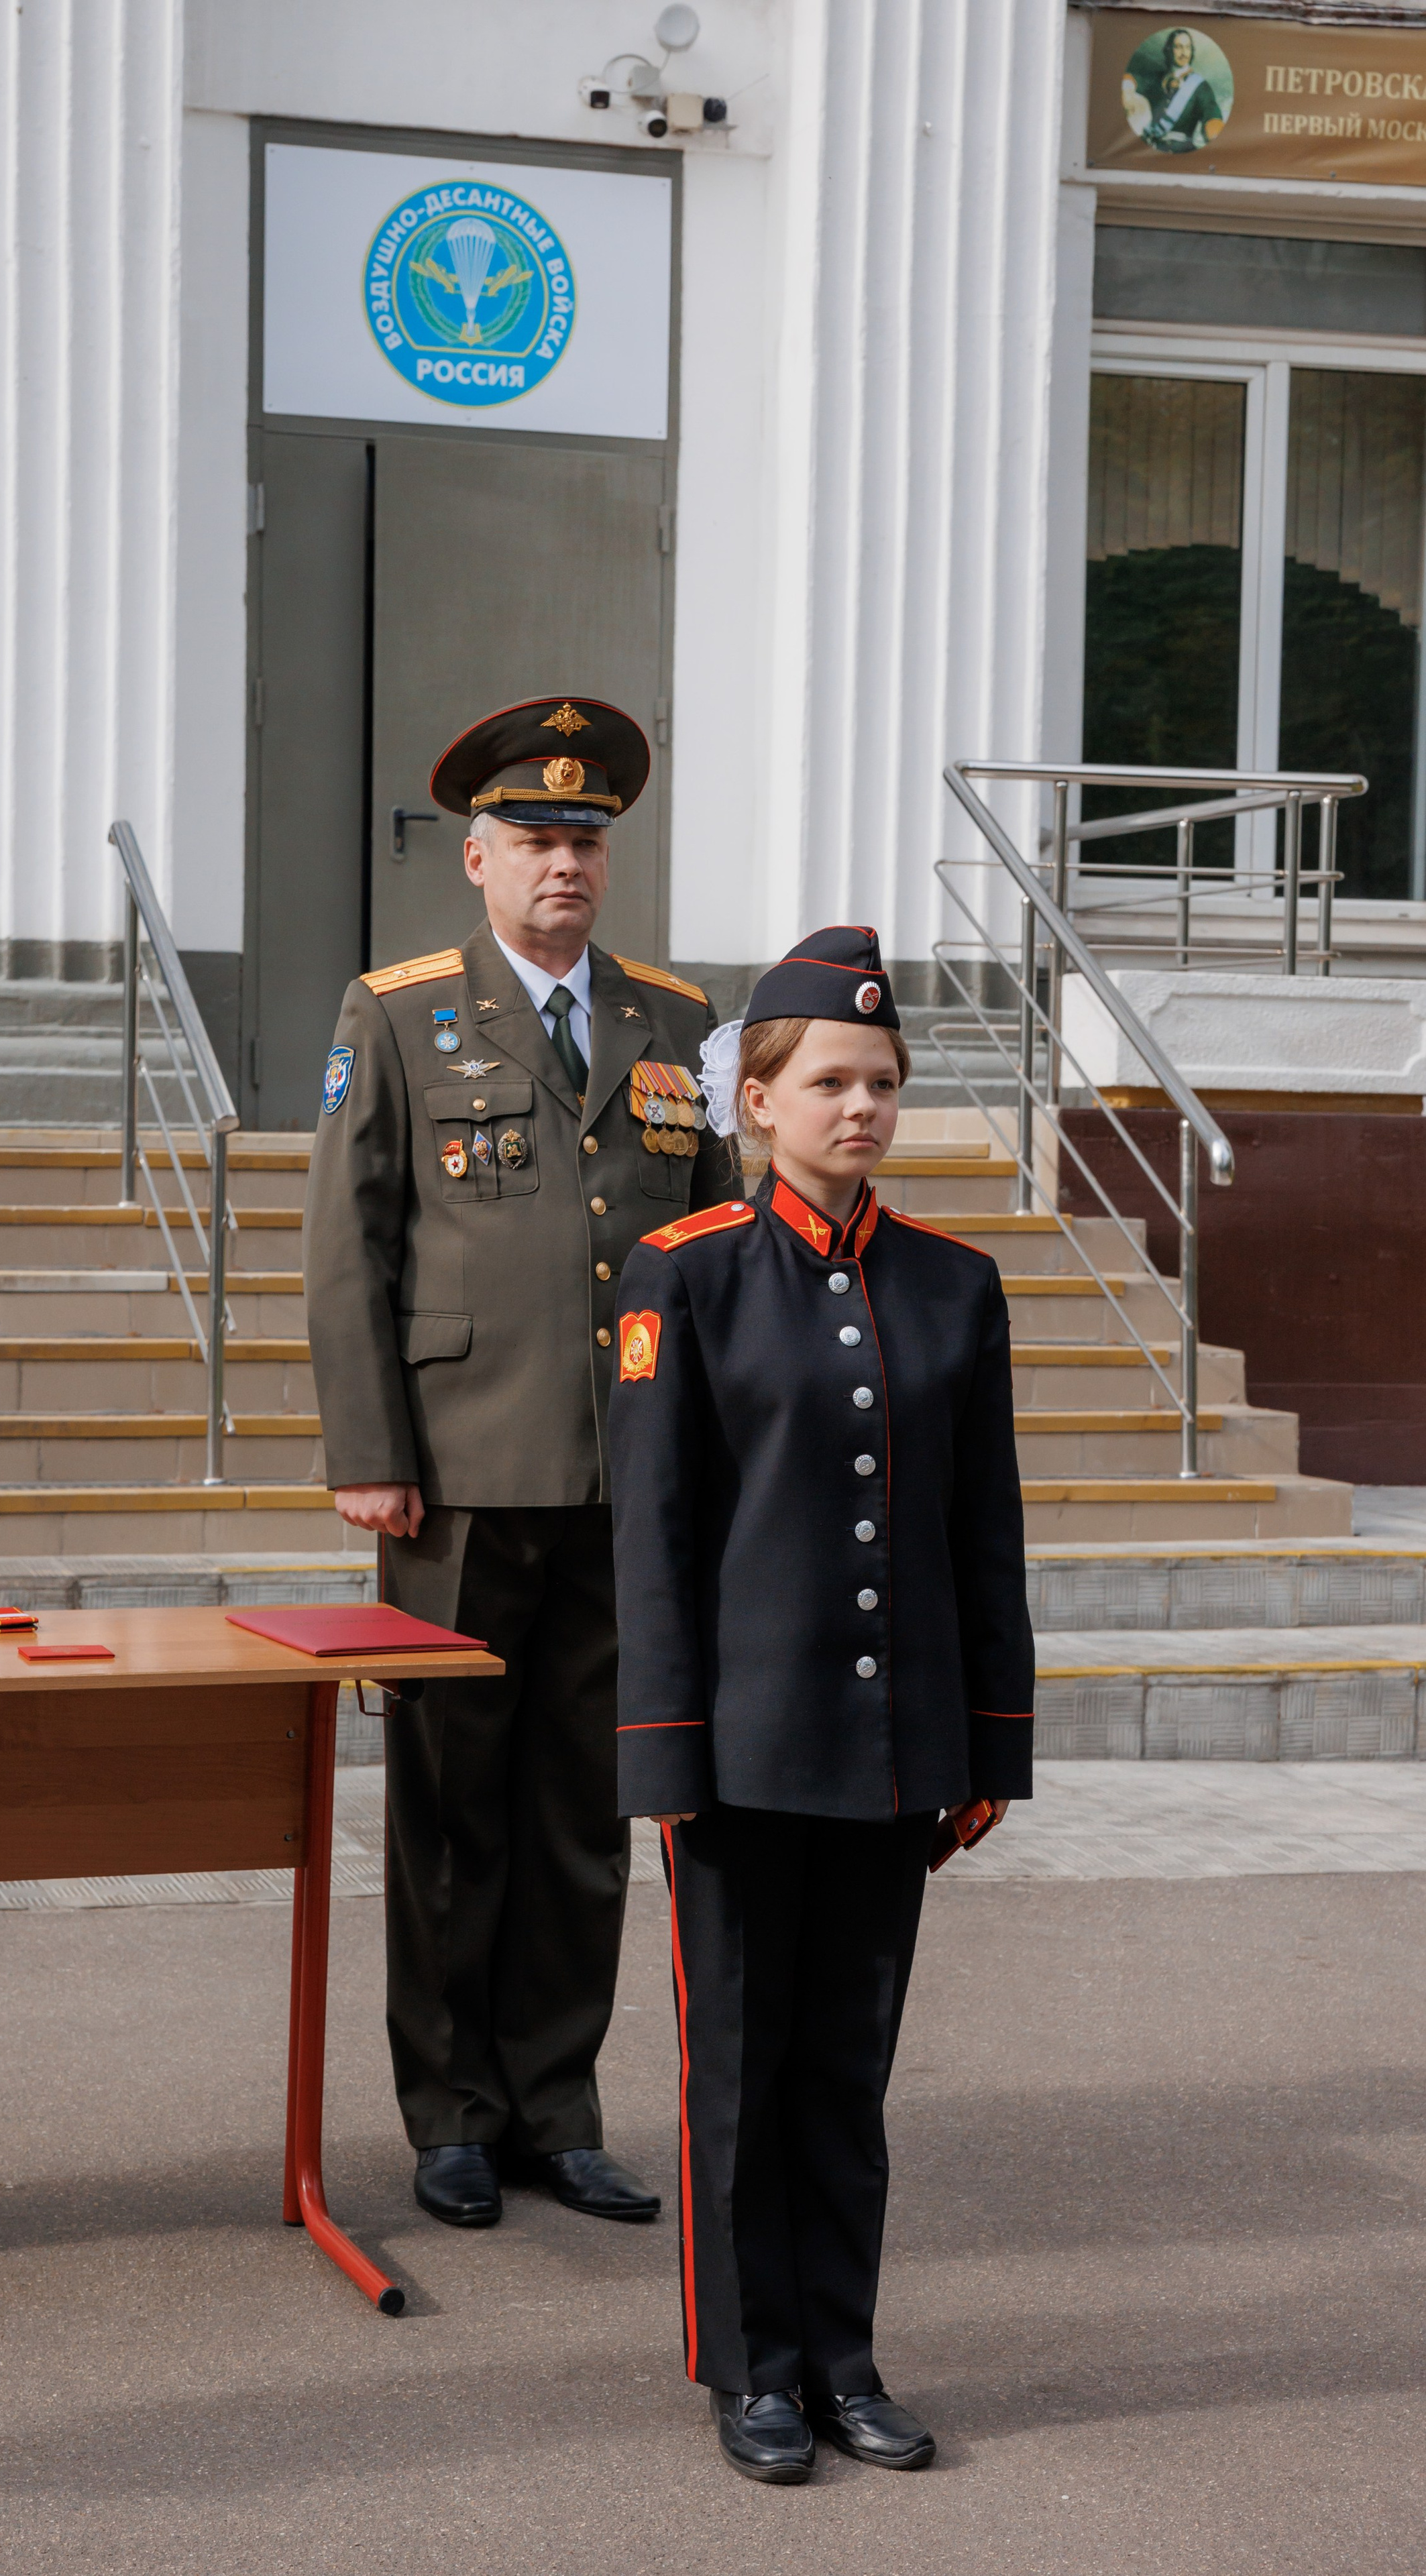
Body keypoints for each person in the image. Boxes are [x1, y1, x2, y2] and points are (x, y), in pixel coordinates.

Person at [304, 695, 739, 2231]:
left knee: (579, 1807)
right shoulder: (397, 1010)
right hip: (458, 1475)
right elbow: (346, 1253)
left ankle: (555, 2105)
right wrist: (371, 1452)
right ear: (474, 855)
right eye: (537, 837)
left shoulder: (672, 1023)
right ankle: (449, 2114)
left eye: (586, 837)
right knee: (446, 1804)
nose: (565, 860)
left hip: (622, 1479)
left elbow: (712, 1249)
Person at [608, 926, 1034, 2485]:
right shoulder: (688, 1273)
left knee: (845, 2072)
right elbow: (649, 1531)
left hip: (888, 1746)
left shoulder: (951, 1284)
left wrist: (988, 1741)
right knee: (740, 2063)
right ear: (761, 1101)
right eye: (827, 1082)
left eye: (879, 1082)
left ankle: (845, 2353)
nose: (856, 1106)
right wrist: (658, 1741)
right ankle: (754, 2365)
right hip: (738, 1745)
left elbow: (979, 1530)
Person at [1123, 27, 1224, 153]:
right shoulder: (1157, 78)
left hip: (1182, 150)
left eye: (1188, 47)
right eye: (1179, 47)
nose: (1184, 53)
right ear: (1169, 50)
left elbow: (1212, 114)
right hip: (1150, 149)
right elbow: (1132, 79)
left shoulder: (1201, 87)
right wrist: (1127, 91)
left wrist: (1213, 132)